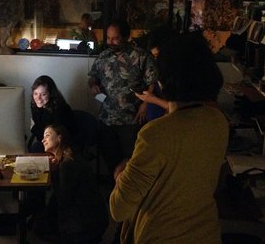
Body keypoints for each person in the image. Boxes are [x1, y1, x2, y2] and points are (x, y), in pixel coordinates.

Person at [109, 32, 229, 244]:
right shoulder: (218, 122)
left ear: (164, 79)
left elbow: (119, 209)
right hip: (207, 234)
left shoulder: (156, 134)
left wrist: (121, 175)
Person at [88, 19, 156, 179]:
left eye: (115, 38)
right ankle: (114, 198)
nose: (111, 42)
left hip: (132, 120)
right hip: (107, 119)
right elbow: (92, 77)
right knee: (111, 163)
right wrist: (93, 85)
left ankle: (128, 199)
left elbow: (152, 82)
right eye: (109, 38)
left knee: (131, 165)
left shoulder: (140, 56)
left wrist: (146, 105)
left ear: (126, 37)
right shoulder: (103, 56)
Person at [33, 124, 109, 244]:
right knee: (42, 217)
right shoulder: (67, 156)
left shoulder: (68, 164)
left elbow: (64, 201)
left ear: (59, 138)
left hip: (86, 223)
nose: (43, 140)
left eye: (47, 135)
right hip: (90, 218)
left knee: (39, 227)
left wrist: (53, 173)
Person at [28, 75, 78, 153]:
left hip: (63, 144)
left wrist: (35, 129)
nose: (38, 98)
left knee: (36, 148)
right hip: (47, 141)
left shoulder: (60, 109)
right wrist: (37, 130)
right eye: (35, 93)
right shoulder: (35, 105)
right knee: (36, 148)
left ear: (51, 93)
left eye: (43, 94)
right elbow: (40, 134)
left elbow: (56, 137)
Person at [134, 25, 173, 121]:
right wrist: (146, 102)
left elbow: (178, 108)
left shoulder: (178, 74)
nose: (156, 60)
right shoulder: (161, 69)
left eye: (157, 56)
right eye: (154, 56)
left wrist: (153, 99)